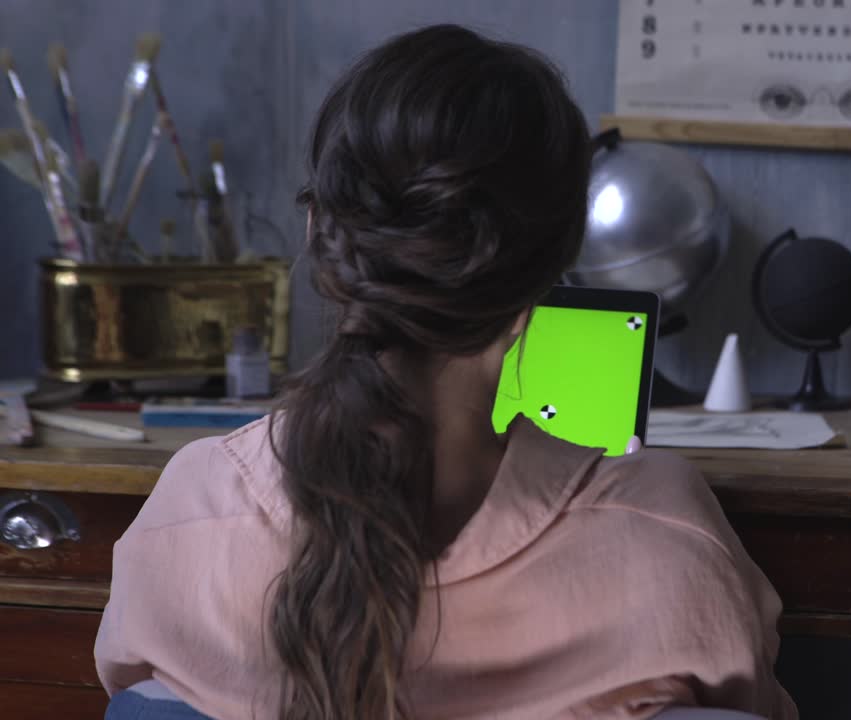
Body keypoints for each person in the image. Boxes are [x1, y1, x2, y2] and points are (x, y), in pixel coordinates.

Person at [94, 24, 797, 720]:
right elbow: (751, 702)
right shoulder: (662, 539)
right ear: (553, 270)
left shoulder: (192, 510)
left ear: (320, 235)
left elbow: (133, 692)